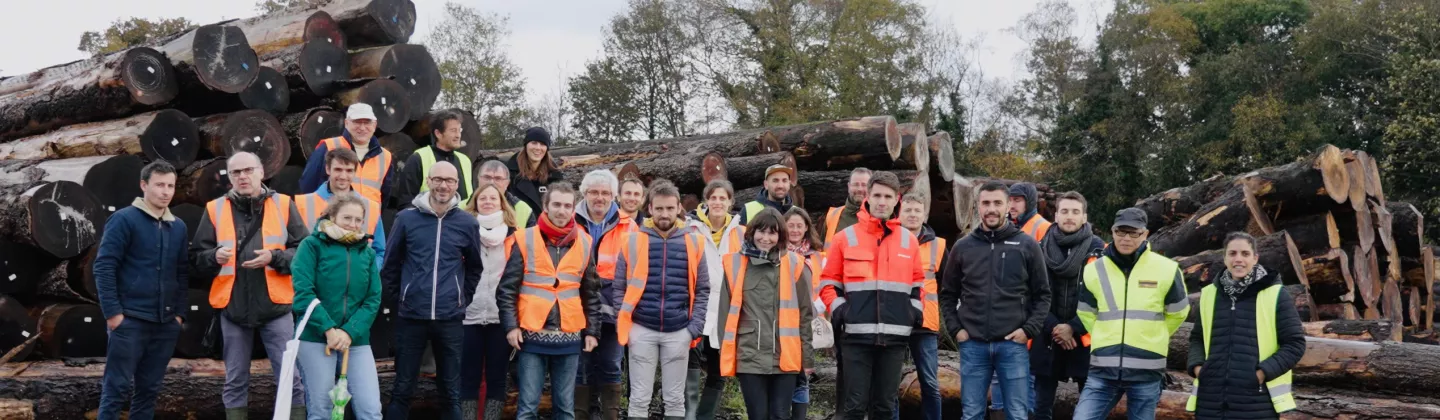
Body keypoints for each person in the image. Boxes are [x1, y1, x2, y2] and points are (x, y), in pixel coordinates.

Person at [190, 152, 308, 420]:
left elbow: (304, 249)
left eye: (247, 170)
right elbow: (197, 258)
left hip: (276, 306)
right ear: (229, 177)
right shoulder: (214, 209)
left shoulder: (284, 204)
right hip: (232, 308)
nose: (242, 176)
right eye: (236, 173)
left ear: (261, 172)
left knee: (291, 376)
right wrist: (213, 257)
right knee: (234, 380)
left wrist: (275, 257)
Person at [817, 171, 924, 420]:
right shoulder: (845, 237)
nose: (882, 202)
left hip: (895, 338)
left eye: (888, 196)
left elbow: (918, 284)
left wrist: (914, 312)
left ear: (897, 199)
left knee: (885, 407)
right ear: (868, 196)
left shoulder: (909, 241)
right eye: (877, 195)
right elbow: (828, 284)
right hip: (855, 338)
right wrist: (841, 311)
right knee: (854, 407)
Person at [939, 180, 1051, 420]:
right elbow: (948, 294)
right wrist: (956, 330)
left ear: (1008, 205)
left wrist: (1028, 330)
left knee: (1017, 414)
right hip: (973, 345)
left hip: (1012, 345)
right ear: (977, 207)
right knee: (971, 414)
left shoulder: (1026, 245)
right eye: (985, 203)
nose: (991, 208)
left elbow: (1043, 294)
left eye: (997, 203)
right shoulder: (963, 247)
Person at [381, 162, 485, 420]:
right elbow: (391, 265)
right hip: (411, 317)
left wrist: (461, 298)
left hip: (450, 319)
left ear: (457, 185)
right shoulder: (407, 218)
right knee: (403, 387)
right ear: (428, 180)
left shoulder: (467, 223)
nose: (443, 185)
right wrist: (402, 299)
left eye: (449, 180)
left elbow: (474, 267)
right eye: (437, 179)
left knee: (451, 391)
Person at [498, 181, 605, 420]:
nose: (562, 210)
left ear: (573, 209)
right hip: (531, 337)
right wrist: (511, 326)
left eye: (567, 206)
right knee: (527, 408)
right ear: (545, 207)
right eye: (556, 204)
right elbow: (506, 289)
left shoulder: (585, 242)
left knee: (565, 409)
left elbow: (591, 292)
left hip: (569, 338)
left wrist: (592, 331)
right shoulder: (524, 239)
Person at [1073, 208, 1189, 420]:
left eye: (1133, 233)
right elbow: (1085, 312)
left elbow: (1179, 312)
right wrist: (1104, 337)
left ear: (1145, 234)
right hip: (1103, 370)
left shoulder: (1167, 269)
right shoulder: (1094, 270)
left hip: (1146, 371)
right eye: (1121, 231)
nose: (1126, 238)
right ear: (1113, 231)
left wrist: (1153, 335)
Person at [94, 161, 189, 420]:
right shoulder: (124, 219)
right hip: (130, 320)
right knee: (116, 389)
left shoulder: (178, 226)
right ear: (144, 185)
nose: (165, 191)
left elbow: (181, 272)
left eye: (170, 186)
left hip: (165, 323)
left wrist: (178, 315)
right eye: (159, 185)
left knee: (148, 391)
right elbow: (103, 267)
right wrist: (113, 314)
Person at [613, 180, 710, 420]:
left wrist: (693, 328)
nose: (664, 214)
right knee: (638, 398)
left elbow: (703, 288)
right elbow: (619, 287)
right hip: (641, 328)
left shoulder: (695, 242)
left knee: (675, 400)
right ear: (650, 209)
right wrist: (627, 324)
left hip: (679, 330)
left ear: (679, 208)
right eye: (659, 209)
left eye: (669, 208)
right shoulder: (632, 240)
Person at [1186, 232, 1305, 419]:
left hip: (1256, 403)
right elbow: (1197, 338)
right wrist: (1198, 369)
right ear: (1225, 258)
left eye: (1245, 254)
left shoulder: (1275, 294)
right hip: (1210, 402)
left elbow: (1295, 344)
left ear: (1255, 258)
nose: (1238, 259)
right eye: (1232, 253)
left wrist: (1261, 373)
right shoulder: (1210, 294)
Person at [713, 208, 815, 420]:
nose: (766, 238)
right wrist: (727, 354)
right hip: (749, 354)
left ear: (781, 236)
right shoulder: (734, 263)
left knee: (780, 415)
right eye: (761, 231)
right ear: (751, 232)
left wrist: (807, 359)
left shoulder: (795, 264)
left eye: (772, 233)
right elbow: (725, 315)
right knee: (757, 415)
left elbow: (805, 316)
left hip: (786, 355)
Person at [291, 194, 383, 420]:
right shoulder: (311, 246)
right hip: (316, 338)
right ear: (332, 216)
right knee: (321, 411)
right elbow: (304, 293)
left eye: (358, 220)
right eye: (347, 218)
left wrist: (349, 332)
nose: (353, 224)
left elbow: (373, 299)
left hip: (356, 340)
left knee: (371, 410)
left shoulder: (367, 253)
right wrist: (329, 330)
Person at [1031, 192, 1106, 420]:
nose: (1069, 216)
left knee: (1091, 407)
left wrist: (1073, 327)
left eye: (1075, 212)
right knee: (1041, 406)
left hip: (1086, 339)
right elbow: (1031, 294)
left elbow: (1103, 297)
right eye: (1064, 211)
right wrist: (1055, 327)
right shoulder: (1038, 247)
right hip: (1047, 337)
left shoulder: (1100, 250)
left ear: (1084, 217)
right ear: (1056, 215)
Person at [575, 170, 638, 420]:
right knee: (583, 366)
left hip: (615, 308)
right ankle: (583, 414)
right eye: (594, 192)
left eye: (605, 193)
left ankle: (610, 415)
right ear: (585, 193)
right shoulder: (571, 220)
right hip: (577, 308)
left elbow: (635, 270)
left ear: (614, 195)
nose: (599, 197)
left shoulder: (629, 226)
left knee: (612, 364)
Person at [459, 182, 521, 419]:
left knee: (497, 377)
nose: (487, 202)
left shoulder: (515, 235)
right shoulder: (463, 232)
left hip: (500, 317)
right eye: (482, 198)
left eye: (493, 198)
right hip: (468, 316)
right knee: (468, 377)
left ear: (502, 203)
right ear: (474, 203)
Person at [691, 179, 745, 420]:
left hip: (726, 312)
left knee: (718, 372)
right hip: (695, 309)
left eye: (723, 198)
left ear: (731, 202)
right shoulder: (691, 229)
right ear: (706, 201)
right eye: (713, 197)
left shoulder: (741, 233)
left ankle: (704, 416)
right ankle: (687, 415)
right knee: (689, 369)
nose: (718, 202)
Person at [892, 193, 945, 420]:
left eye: (917, 211)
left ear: (925, 215)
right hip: (892, 321)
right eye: (908, 210)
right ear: (899, 214)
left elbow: (948, 284)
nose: (913, 215)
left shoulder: (939, 245)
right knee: (889, 384)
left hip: (925, 324)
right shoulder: (888, 240)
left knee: (930, 383)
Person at [293, 147, 385, 267]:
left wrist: (369, 275)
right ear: (327, 169)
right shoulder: (302, 204)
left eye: (349, 170)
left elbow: (379, 251)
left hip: (358, 282)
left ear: (355, 172)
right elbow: (293, 249)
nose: (343, 176)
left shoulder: (371, 207)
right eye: (338, 169)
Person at [299, 103, 395, 206]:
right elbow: (308, 187)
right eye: (357, 122)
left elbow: (384, 196)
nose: (362, 128)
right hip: (331, 219)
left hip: (369, 220)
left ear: (374, 125)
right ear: (346, 123)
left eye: (367, 122)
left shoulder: (385, 157)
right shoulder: (328, 147)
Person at [781, 206, 823, 420]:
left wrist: (818, 307)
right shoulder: (776, 253)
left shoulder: (816, 256)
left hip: (807, 321)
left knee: (802, 375)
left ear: (807, 227)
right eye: (791, 226)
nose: (795, 230)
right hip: (782, 322)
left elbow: (824, 285)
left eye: (799, 225)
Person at [393, 110, 475, 207]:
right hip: (428, 221)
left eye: (459, 130)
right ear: (438, 134)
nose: (458, 135)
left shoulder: (465, 161)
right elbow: (406, 202)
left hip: (461, 221)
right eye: (453, 130)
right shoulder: (419, 158)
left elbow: (471, 201)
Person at [506, 127, 565, 213]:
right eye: (534, 143)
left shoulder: (555, 176)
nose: (538, 148)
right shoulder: (509, 173)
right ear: (526, 145)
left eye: (542, 144)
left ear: (547, 148)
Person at [821, 167, 871, 247]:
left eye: (864, 185)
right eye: (856, 184)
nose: (860, 189)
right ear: (848, 187)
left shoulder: (878, 218)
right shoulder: (832, 216)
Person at [479, 159, 536, 227]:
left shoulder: (524, 210)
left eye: (498, 178)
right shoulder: (463, 207)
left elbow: (531, 237)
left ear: (507, 183)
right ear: (478, 179)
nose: (492, 182)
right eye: (487, 177)